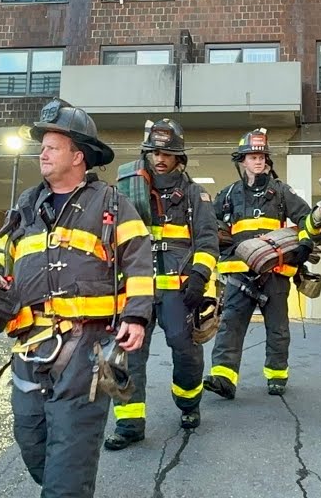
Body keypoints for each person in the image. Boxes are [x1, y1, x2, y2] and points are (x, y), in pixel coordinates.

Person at [0, 99, 153, 498]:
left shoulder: (111, 203)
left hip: (86, 348)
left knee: (69, 458)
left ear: (78, 156)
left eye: (53, 146)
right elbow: (2, 252)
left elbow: (139, 262)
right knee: (31, 439)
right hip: (29, 345)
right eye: (43, 146)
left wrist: (136, 316)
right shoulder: (26, 204)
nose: (43, 153)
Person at [105, 118, 220, 450]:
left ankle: (188, 404)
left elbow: (208, 241)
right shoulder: (125, 190)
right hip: (135, 289)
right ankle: (128, 423)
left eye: (167, 153)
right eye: (154, 152)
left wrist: (199, 276)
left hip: (179, 291)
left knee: (186, 352)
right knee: (126, 354)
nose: (160, 158)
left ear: (178, 158)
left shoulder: (195, 194)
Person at [203, 128, 321, 399]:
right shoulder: (228, 194)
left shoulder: (282, 192)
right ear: (242, 161)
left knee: (278, 327)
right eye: (252, 156)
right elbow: (209, 226)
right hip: (238, 272)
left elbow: (308, 219)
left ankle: (276, 375)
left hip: (275, 272)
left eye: (262, 156)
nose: (258, 161)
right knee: (231, 325)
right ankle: (224, 377)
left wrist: (305, 244)